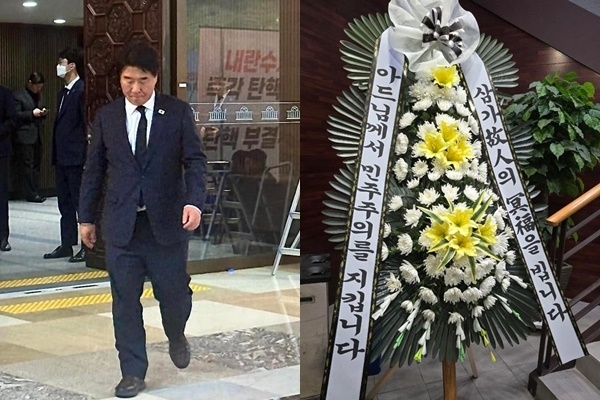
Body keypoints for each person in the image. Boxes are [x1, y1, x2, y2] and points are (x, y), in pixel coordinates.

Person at [78, 41, 206, 398]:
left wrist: (194, 202)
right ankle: (132, 372)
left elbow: (195, 161)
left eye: (143, 80)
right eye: (128, 80)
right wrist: (86, 218)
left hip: (166, 226)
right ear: (120, 79)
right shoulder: (107, 117)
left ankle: (176, 333)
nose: (135, 88)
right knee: (124, 303)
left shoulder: (176, 113)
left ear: (156, 78)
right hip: (123, 227)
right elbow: (94, 171)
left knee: (174, 295)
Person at [44, 47, 87, 263]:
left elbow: (84, 125)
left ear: (71, 65)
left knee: (80, 202)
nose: (58, 67)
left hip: (76, 157)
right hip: (62, 157)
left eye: (61, 63)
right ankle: (67, 243)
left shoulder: (81, 91)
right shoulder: (63, 92)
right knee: (65, 203)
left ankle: (87, 245)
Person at [12, 72, 48, 203]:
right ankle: (31, 193)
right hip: (24, 135)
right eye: (37, 86)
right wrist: (31, 114)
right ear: (30, 83)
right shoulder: (19, 96)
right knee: (27, 166)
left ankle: (36, 190)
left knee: (36, 165)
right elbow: (15, 115)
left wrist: (43, 113)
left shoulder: (40, 96)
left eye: (41, 87)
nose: (38, 89)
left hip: (37, 134)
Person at [0, 85, 17, 251]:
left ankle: (3, 236)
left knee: (1, 195)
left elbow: (12, 120)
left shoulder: (5, 94)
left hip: (1, 152)